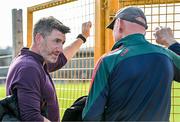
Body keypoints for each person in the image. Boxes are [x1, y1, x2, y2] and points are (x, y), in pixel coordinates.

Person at [82, 6, 180, 121]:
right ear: (143, 30)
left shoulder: (108, 60)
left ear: (118, 23)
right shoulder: (166, 54)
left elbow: (91, 116)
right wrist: (172, 42)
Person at [5, 16, 91, 122]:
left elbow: (62, 58)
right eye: (56, 41)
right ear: (39, 39)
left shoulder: (37, 61)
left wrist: (82, 37)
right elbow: (31, 118)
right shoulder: (29, 68)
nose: (60, 49)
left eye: (62, 43)